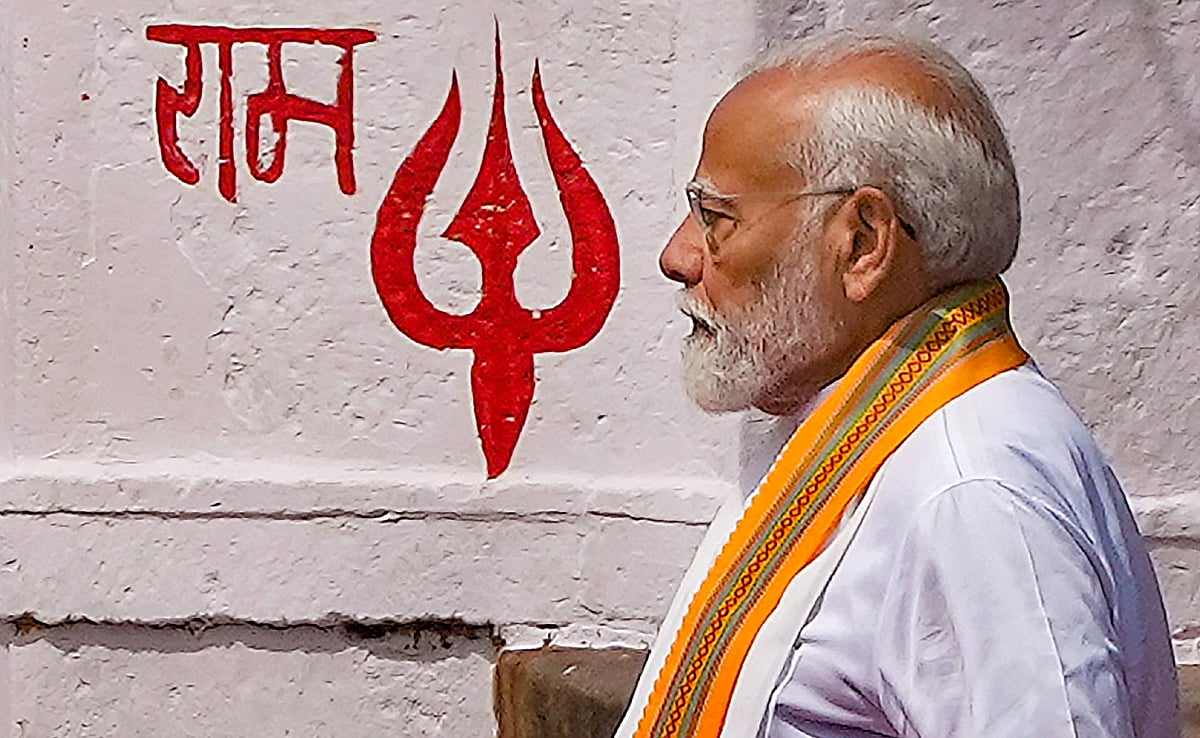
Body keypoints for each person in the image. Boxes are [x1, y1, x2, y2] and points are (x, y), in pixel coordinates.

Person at [615, 32, 1179, 738]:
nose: (678, 256)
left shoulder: (970, 486)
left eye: (715, 218)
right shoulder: (861, 429)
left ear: (862, 244)